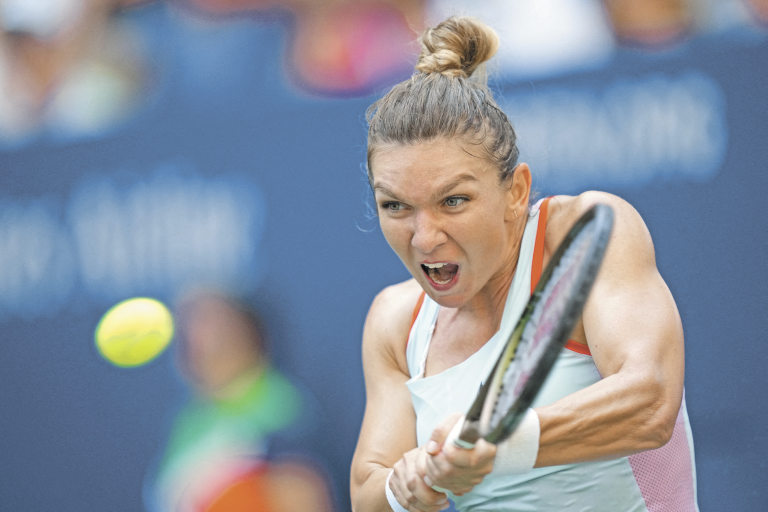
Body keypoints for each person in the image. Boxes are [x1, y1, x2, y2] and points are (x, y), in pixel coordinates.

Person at [350, 16, 698, 512]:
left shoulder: (584, 236)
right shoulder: (394, 322)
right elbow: (367, 489)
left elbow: (651, 400)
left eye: (453, 201)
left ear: (515, 192)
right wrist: (401, 488)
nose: (425, 238)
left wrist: (493, 442)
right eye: (396, 206)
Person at [147, 289, 334, 512]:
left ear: (242, 331)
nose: (190, 332)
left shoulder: (277, 406)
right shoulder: (187, 420)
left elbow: (305, 494)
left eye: (205, 318)